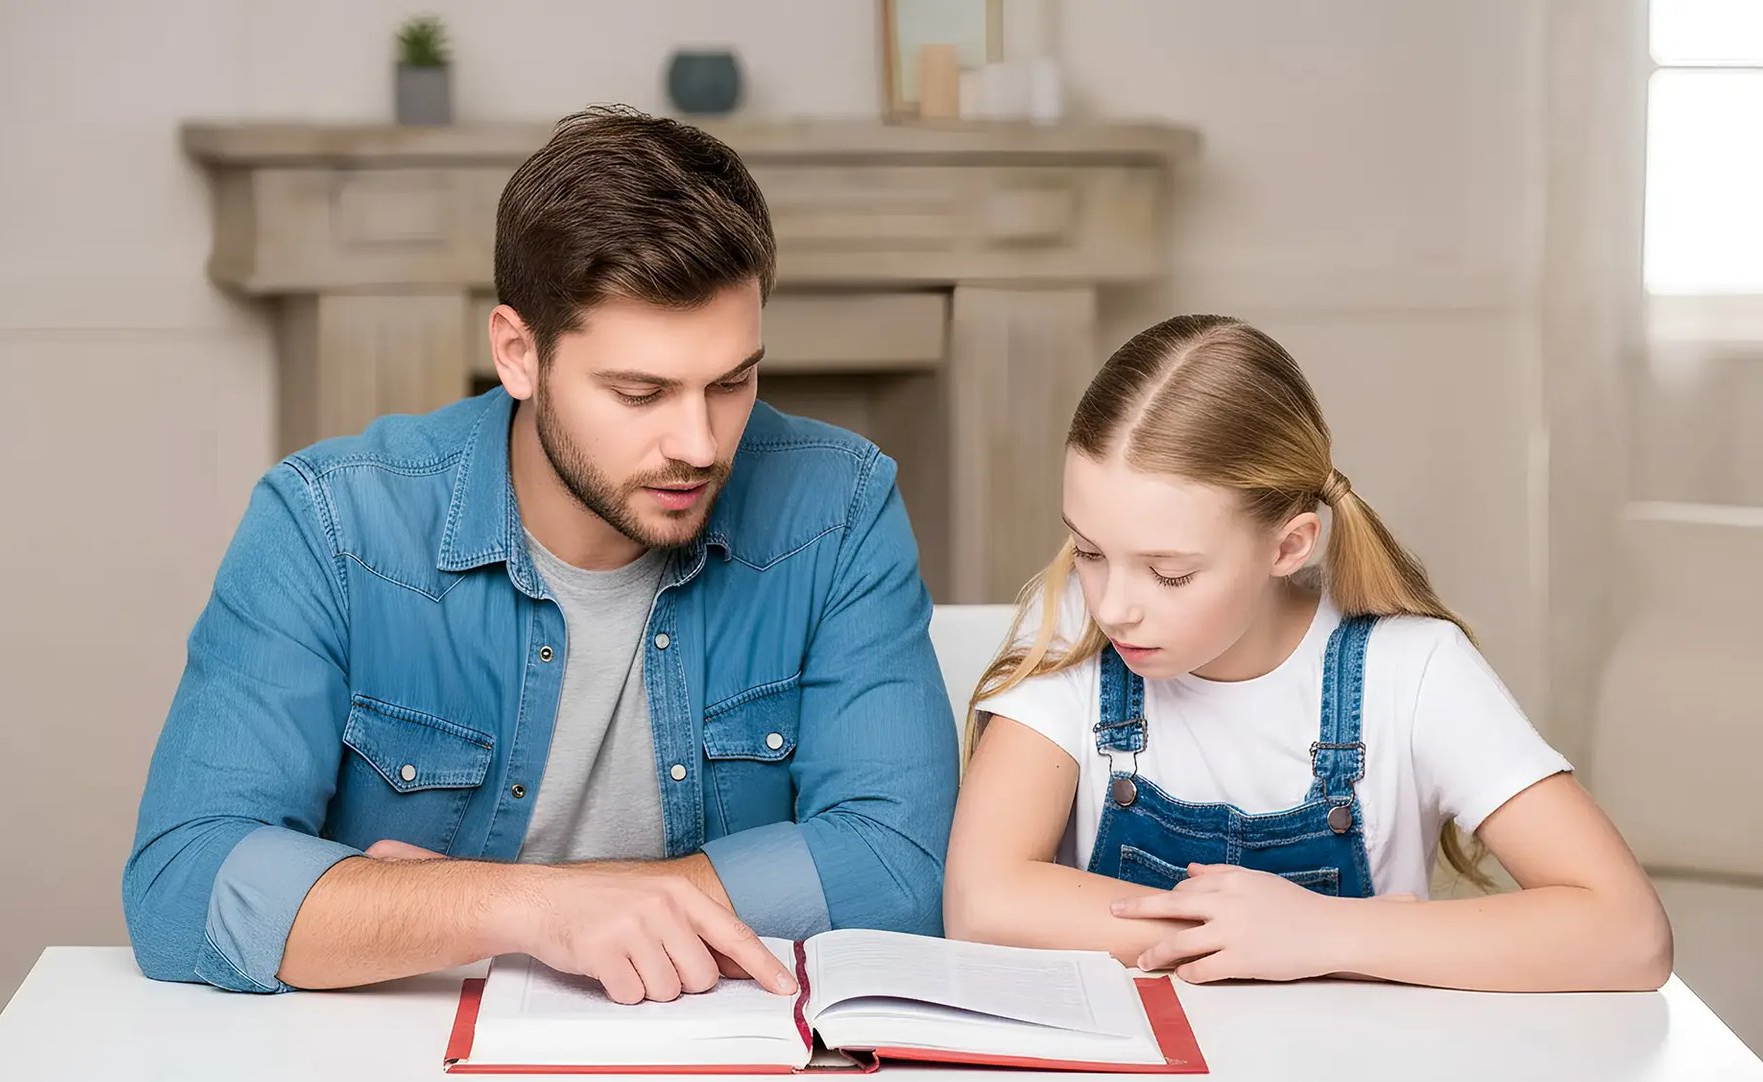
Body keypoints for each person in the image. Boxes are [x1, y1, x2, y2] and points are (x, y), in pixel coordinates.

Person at [124, 107, 957, 1005]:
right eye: (641, 392)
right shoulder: (329, 523)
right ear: (518, 354)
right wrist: (535, 908)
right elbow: (183, 881)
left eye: (732, 380)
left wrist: (449, 902)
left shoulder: (840, 506)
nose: (702, 442)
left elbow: (901, 867)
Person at [944, 313, 1672, 991]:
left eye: (1170, 572)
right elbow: (983, 899)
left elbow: (1629, 932)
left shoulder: (1411, 669)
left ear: (1288, 546)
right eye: (1092, 550)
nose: (1112, 605)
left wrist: (1322, 931)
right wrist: (1233, 930)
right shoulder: (1072, 628)